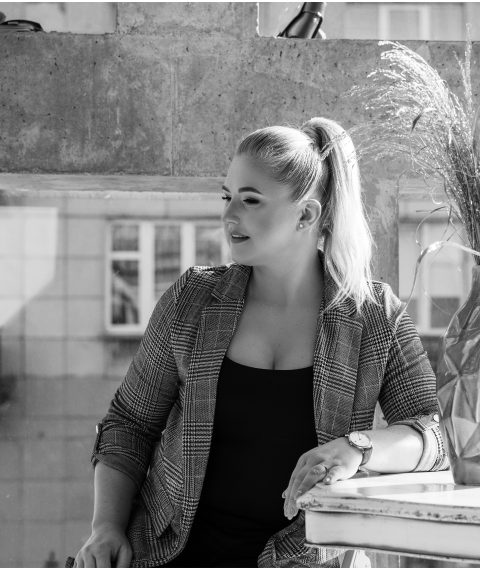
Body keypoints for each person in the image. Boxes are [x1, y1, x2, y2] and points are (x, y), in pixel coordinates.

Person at [71, 117, 448, 569]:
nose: (229, 215)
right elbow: (129, 424)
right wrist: (106, 528)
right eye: (227, 197)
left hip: (303, 561)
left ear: (306, 215)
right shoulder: (192, 298)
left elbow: (433, 435)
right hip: (169, 556)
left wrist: (356, 448)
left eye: (250, 200)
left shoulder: (374, 316)